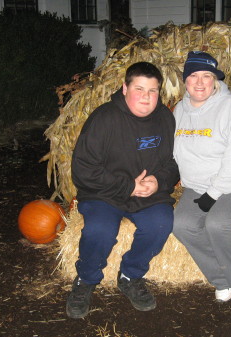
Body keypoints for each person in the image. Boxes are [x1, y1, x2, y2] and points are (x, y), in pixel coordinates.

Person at [67, 62, 179, 319]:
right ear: (124, 88)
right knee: (100, 230)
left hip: (148, 193)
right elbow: (83, 170)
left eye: (153, 90)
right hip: (105, 193)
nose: (146, 97)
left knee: (161, 223)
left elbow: (171, 164)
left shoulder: (165, 118)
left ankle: (130, 275)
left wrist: (158, 182)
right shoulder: (103, 118)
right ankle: (85, 280)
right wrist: (128, 186)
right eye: (139, 89)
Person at [172, 51, 231, 308]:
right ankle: (222, 279)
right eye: (193, 75)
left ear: (215, 80)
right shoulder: (179, 111)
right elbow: (170, 154)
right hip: (199, 186)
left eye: (207, 76)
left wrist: (211, 196)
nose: (200, 82)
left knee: (217, 223)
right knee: (181, 224)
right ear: (185, 80)